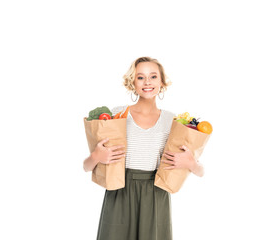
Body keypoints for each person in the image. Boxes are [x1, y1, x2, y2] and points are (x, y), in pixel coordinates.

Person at [83, 56, 204, 240]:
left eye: (153, 76)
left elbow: (201, 172)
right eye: (140, 77)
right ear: (133, 82)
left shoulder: (172, 121)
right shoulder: (118, 114)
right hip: (119, 191)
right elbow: (86, 166)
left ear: (162, 81)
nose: (147, 82)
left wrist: (190, 163)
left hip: (156, 193)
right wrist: (97, 156)